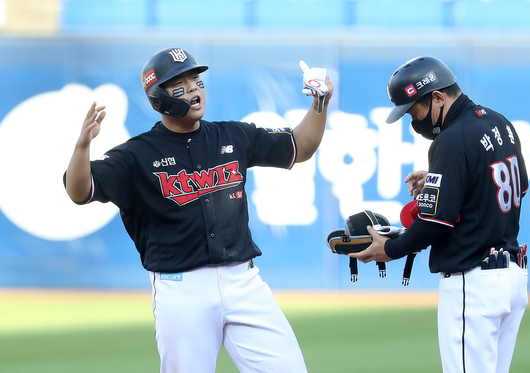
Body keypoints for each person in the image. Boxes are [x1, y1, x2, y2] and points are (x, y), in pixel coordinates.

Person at [64, 47, 333, 373]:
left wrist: (320, 102)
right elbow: (79, 191)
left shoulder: (233, 135)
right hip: (181, 289)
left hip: (243, 281)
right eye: (180, 82)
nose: (193, 87)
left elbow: (299, 146)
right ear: (158, 98)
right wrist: (82, 147)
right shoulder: (137, 155)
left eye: (196, 79)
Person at [349, 56, 529, 373]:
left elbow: (435, 222)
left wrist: (388, 249)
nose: (412, 121)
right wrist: (442, 179)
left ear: (437, 97)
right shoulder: (500, 123)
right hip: (511, 280)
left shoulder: (452, 139)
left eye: (413, 110)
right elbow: (516, 188)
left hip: (473, 285)